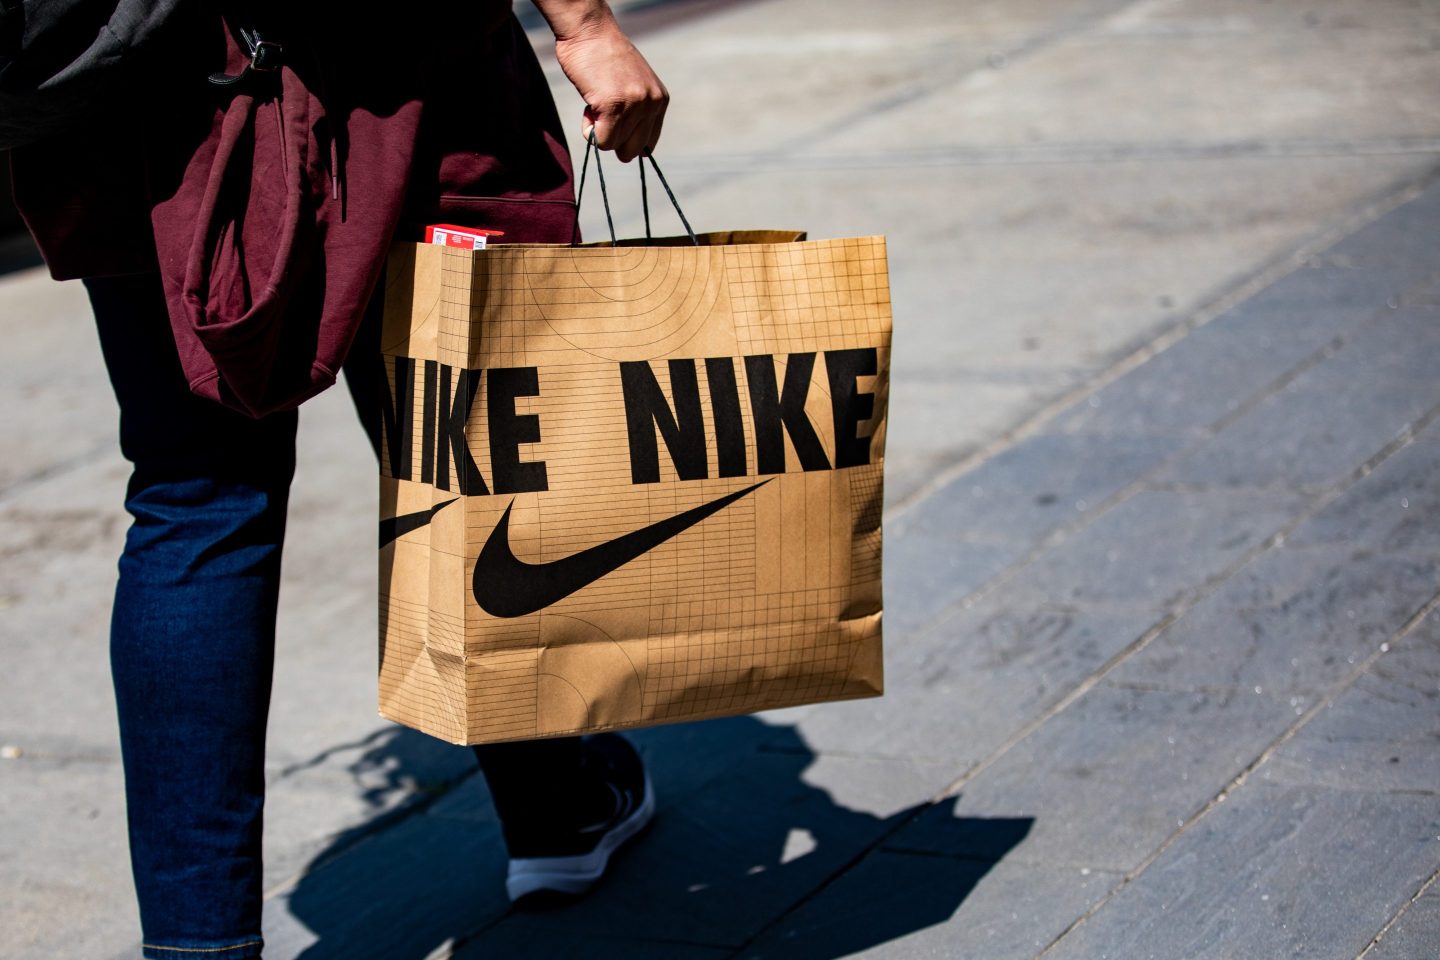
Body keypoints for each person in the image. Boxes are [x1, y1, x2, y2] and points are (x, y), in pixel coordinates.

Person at [10, 1, 669, 957]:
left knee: (195, 497)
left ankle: (200, 945)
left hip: (146, 81)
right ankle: (554, 805)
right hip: (396, 63)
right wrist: (586, 23)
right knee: (455, 448)